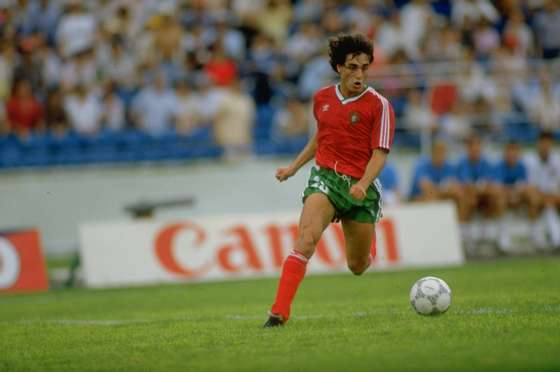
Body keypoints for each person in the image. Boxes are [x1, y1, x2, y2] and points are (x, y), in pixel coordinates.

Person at [264, 34, 395, 327]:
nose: (359, 74)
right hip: (325, 178)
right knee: (305, 239)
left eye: (364, 67)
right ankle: (278, 312)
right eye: (352, 67)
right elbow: (320, 138)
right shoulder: (322, 98)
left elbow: (380, 154)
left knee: (357, 266)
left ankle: (368, 237)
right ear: (339, 67)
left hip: (361, 188)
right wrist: (294, 168)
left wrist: (362, 183)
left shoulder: (379, 105)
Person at [456, 134, 505, 252]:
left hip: (483, 199)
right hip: (468, 200)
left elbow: (492, 184)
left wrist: (480, 188)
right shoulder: (462, 163)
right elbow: (467, 186)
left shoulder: (486, 163)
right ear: (468, 149)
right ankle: (465, 237)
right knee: (467, 199)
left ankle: (490, 234)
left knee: (495, 197)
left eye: (478, 147)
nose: (476, 150)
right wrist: (480, 187)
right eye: (473, 147)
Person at [494, 141, 541, 250]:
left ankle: (535, 233)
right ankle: (503, 235)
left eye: (514, 152)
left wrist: (515, 193)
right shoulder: (499, 166)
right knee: (499, 198)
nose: (512, 155)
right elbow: (497, 187)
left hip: (518, 198)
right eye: (510, 152)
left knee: (533, 196)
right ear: (505, 153)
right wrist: (512, 193)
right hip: (504, 199)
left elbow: (525, 186)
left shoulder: (522, 167)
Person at [409, 141, 467, 219]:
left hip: (440, 196)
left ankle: (461, 225)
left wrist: (442, 190)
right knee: (430, 196)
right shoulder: (421, 165)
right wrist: (443, 189)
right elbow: (427, 188)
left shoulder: (449, 166)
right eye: (438, 152)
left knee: (460, 195)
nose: (440, 156)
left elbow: (455, 187)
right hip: (418, 198)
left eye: (442, 153)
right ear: (432, 153)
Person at [525, 131, 560, 249]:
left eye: (547, 143)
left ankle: (554, 239)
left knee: (550, 202)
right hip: (536, 195)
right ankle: (542, 240)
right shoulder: (529, 160)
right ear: (538, 144)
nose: (545, 146)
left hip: (553, 195)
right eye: (543, 143)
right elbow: (530, 185)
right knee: (535, 201)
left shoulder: (557, 160)